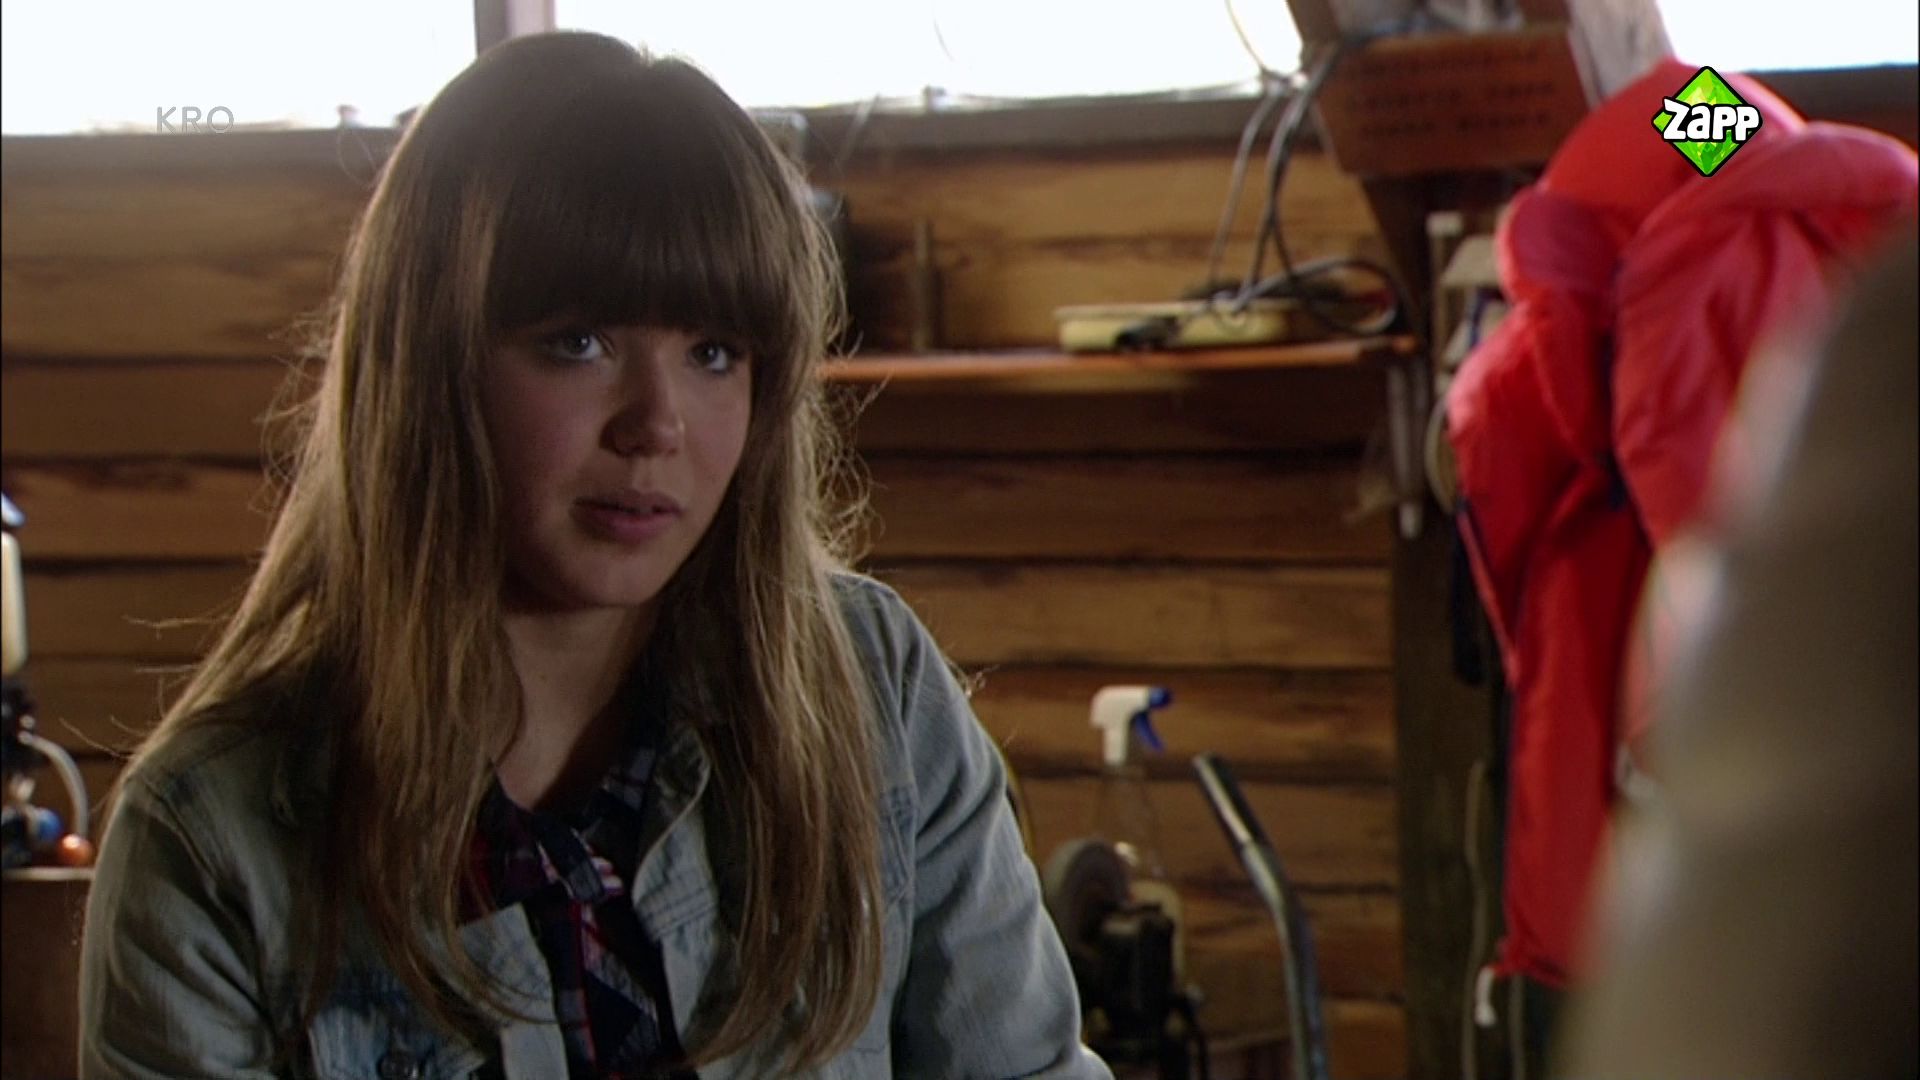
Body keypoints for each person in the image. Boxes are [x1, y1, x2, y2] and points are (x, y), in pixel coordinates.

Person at [78, 31, 1109, 1080]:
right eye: (579, 342)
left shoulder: (868, 687)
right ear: (429, 362)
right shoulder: (215, 832)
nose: (657, 424)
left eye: (714, 352)